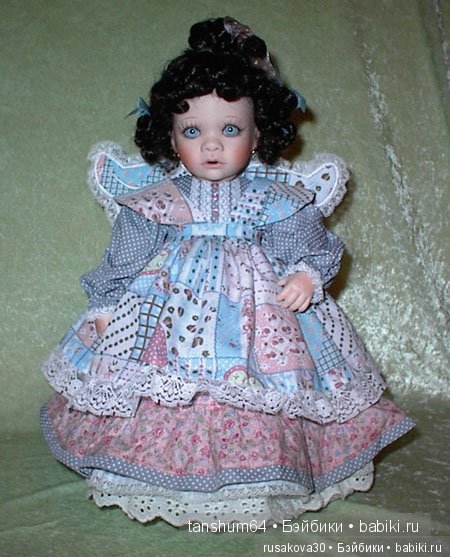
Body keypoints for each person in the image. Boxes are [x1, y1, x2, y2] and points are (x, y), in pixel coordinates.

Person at [41, 17, 414, 526]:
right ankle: (158, 472)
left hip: (260, 316)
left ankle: (256, 473)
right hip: (170, 316)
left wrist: (306, 276)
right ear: (171, 137)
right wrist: (107, 306)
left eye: (230, 129)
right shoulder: (157, 201)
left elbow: (310, 246)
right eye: (193, 131)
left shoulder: (274, 199)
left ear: (258, 134)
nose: (212, 145)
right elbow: (123, 261)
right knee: (161, 385)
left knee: (264, 387)